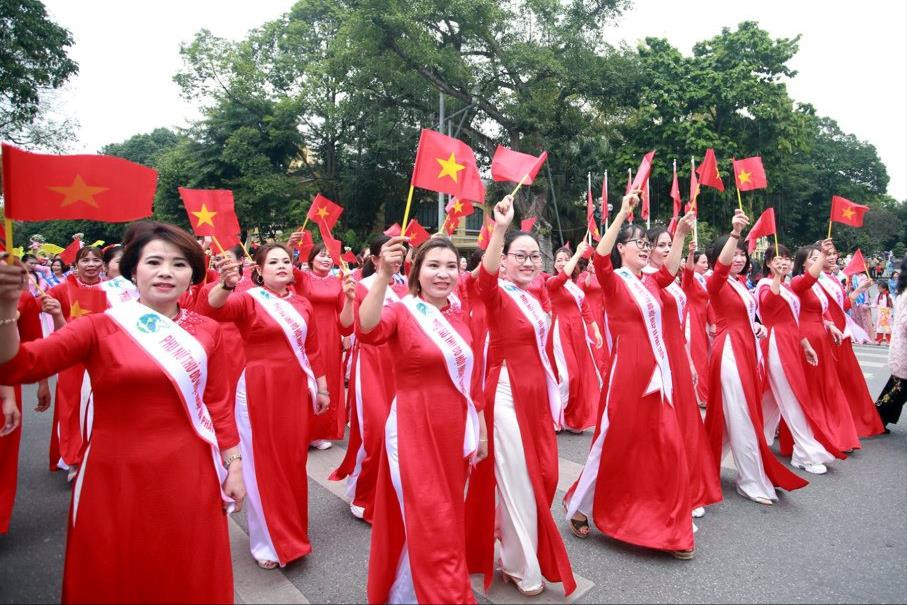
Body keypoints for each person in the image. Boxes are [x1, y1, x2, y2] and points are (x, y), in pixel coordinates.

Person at [0, 221, 245, 603]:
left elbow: (217, 404)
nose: (166, 272)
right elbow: (17, 367)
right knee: (119, 574)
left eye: (179, 264)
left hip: (190, 471)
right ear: (133, 269)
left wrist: (234, 464)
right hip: (115, 475)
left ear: (193, 275)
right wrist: (5, 309)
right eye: (154, 262)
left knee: (186, 569)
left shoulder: (207, 331)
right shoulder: (99, 327)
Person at [564, 195, 699, 560]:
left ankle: (672, 528)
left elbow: (670, 271)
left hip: (656, 374)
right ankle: (579, 504)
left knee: (668, 445)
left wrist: (680, 234)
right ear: (621, 249)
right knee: (616, 443)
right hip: (626, 375)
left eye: (645, 242)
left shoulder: (652, 283)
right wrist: (622, 213)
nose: (643, 246)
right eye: (635, 242)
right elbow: (600, 258)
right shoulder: (614, 282)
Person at [361, 236, 486, 604]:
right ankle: (447, 596)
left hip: (453, 430)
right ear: (416, 271)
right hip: (412, 429)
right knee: (433, 520)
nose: (443, 274)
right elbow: (367, 329)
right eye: (433, 265)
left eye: (450, 266)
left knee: (444, 518)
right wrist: (384, 275)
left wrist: (479, 430)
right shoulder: (402, 311)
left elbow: (470, 381)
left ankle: (408, 595)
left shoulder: (459, 314)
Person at [465, 195, 576, 597]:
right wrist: (500, 227)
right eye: (520, 256)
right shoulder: (495, 293)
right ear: (505, 260)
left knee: (543, 476)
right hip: (505, 393)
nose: (529, 263)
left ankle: (511, 546)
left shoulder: (533, 295)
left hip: (534, 396)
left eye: (534, 257)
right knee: (518, 479)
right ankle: (520, 565)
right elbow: (484, 278)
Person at [200, 243, 329, 570]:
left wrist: (323, 388)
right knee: (263, 464)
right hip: (259, 389)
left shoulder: (302, 303)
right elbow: (213, 309)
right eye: (273, 262)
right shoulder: (248, 300)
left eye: (286, 261)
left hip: (295, 390)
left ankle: (293, 531)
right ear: (258, 270)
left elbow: (313, 349)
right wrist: (225, 284)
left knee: (293, 462)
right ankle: (267, 541)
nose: (282, 266)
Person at [703, 209, 808, 506]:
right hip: (729, 352)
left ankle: (703, 466)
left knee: (734, 414)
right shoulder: (716, 280)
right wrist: (735, 232)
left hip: (745, 349)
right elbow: (721, 273)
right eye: (733, 253)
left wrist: (757, 327)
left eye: (742, 254)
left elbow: (747, 316)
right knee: (743, 414)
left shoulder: (739, 284)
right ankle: (749, 479)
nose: (738, 258)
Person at [645, 224, 722, 519]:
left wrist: (688, 361)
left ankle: (691, 486)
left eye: (669, 244)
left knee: (687, 423)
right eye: (661, 245)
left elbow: (678, 325)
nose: (666, 250)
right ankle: (669, 489)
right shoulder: (645, 279)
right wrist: (680, 237)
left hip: (677, 355)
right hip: (658, 357)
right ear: (647, 248)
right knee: (664, 426)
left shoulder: (673, 280)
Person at [331, 235, 408, 522]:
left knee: (398, 435)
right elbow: (345, 326)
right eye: (390, 252)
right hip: (371, 365)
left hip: (399, 366)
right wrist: (350, 301)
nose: (397, 257)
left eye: (400, 253)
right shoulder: (361, 286)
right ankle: (365, 496)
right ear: (375, 259)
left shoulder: (406, 289)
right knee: (375, 433)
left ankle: (392, 496)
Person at [755, 245, 840, 474]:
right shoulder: (765, 285)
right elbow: (769, 303)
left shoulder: (788, 287)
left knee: (771, 398)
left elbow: (792, 321)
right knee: (792, 397)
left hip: (791, 343)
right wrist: (776, 277)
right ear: (768, 263)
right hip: (775, 345)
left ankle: (755, 440)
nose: (783, 262)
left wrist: (805, 345)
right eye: (777, 259)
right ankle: (804, 454)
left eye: (786, 258)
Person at [44, 246, 108, 479]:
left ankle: (98, 456)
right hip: (72, 359)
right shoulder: (61, 290)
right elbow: (48, 325)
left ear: (103, 265)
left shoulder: (113, 290)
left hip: (104, 358)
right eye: (85, 260)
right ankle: (73, 458)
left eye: (96, 260)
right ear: (75, 265)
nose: (91, 265)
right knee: (71, 407)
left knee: (102, 407)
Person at [817, 243, 885, 437]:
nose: (832, 257)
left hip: (842, 333)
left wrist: (861, 289)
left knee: (849, 379)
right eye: (827, 254)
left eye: (834, 253)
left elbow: (844, 305)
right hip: (827, 334)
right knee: (832, 382)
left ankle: (853, 421)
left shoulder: (833, 279)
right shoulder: (816, 281)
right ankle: (838, 425)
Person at [294, 243, 348, 450]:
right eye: (321, 255)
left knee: (327, 381)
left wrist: (347, 335)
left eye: (329, 256)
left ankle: (319, 432)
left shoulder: (338, 282)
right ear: (311, 258)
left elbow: (344, 313)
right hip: (305, 334)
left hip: (330, 336)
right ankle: (301, 430)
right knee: (305, 381)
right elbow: (286, 268)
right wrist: (290, 246)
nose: (326, 259)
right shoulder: (303, 278)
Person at [547, 242, 603, 433]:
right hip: (561, 331)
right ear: (554, 264)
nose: (562, 263)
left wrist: (595, 330)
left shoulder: (575, 287)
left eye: (566, 259)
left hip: (578, 333)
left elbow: (586, 310)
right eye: (559, 260)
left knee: (581, 376)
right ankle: (556, 415)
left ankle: (572, 418)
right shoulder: (553, 283)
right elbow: (563, 276)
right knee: (568, 376)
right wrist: (577, 254)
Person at [876, 257, 907, 429]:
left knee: (897, 388)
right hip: (904, 349)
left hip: (901, 348)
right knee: (897, 389)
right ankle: (877, 420)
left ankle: (877, 419)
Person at [682, 243, 711, 407]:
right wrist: (691, 254)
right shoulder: (690, 278)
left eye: (707, 262)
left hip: (701, 321)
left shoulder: (704, 280)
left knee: (702, 356)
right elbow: (687, 272)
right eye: (703, 262)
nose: (706, 265)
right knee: (696, 357)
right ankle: (698, 395)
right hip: (691, 321)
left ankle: (702, 393)